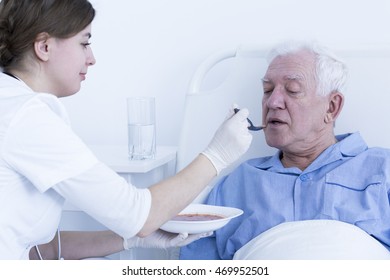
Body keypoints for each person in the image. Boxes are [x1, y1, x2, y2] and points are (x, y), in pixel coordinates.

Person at [0, 0, 253, 260]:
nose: (92, 58)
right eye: (84, 42)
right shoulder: (28, 118)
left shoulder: (11, 102)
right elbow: (138, 215)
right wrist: (217, 155)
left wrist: (127, 239)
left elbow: (41, 250)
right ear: (44, 46)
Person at [180, 40, 390, 260]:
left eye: (292, 90)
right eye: (267, 90)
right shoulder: (237, 184)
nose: (273, 102)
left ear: (332, 107)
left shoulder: (382, 169)